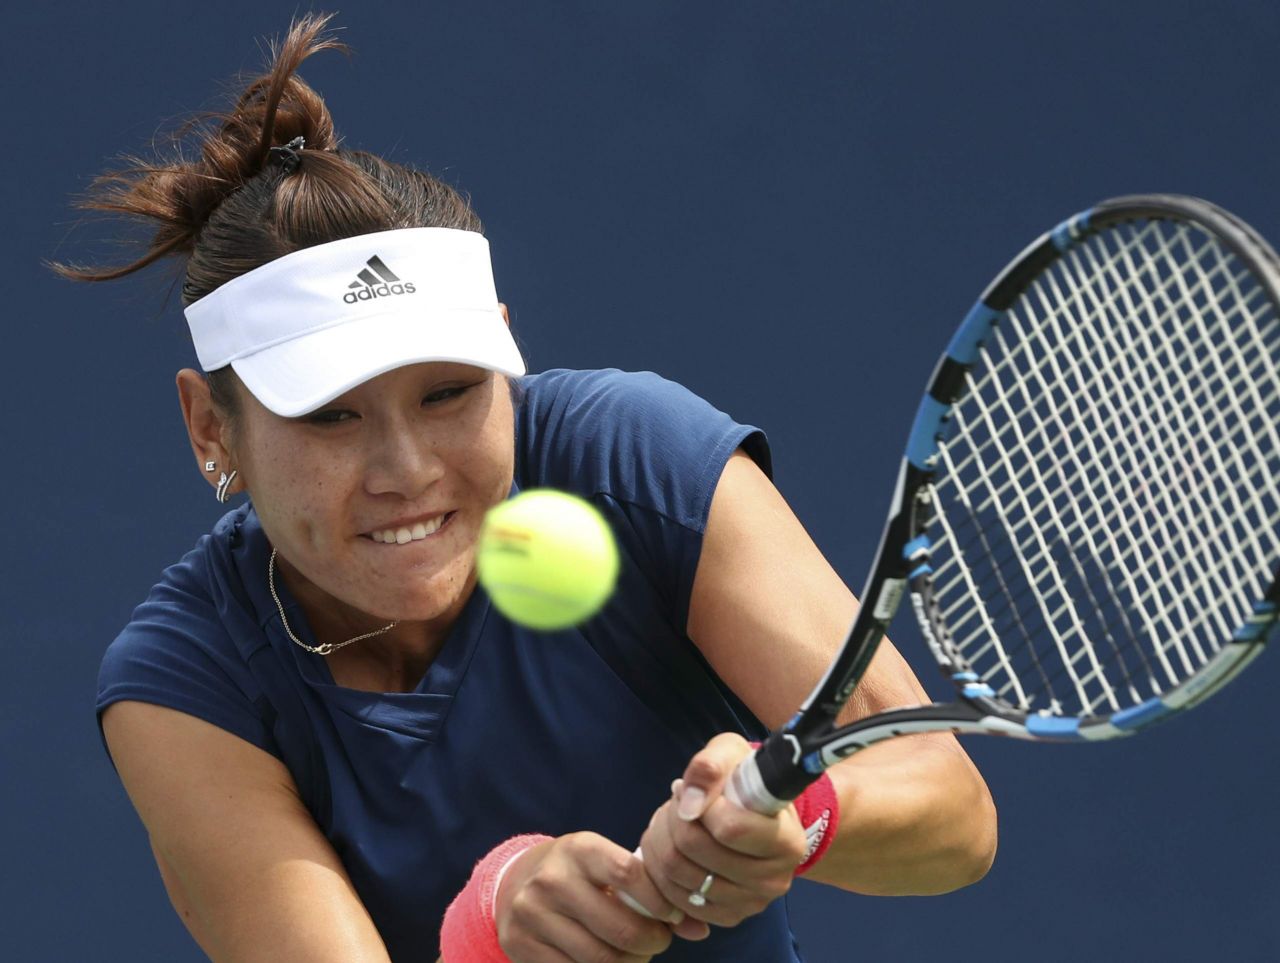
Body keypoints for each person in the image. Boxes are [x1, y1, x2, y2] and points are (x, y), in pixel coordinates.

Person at [65, 14, 997, 963]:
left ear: (505, 352)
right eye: (331, 415)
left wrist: (800, 814)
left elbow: (953, 811)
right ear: (209, 425)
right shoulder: (184, 682)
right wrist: (491, 917)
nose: (408, 471)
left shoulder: (639, 458)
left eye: (450, 393)